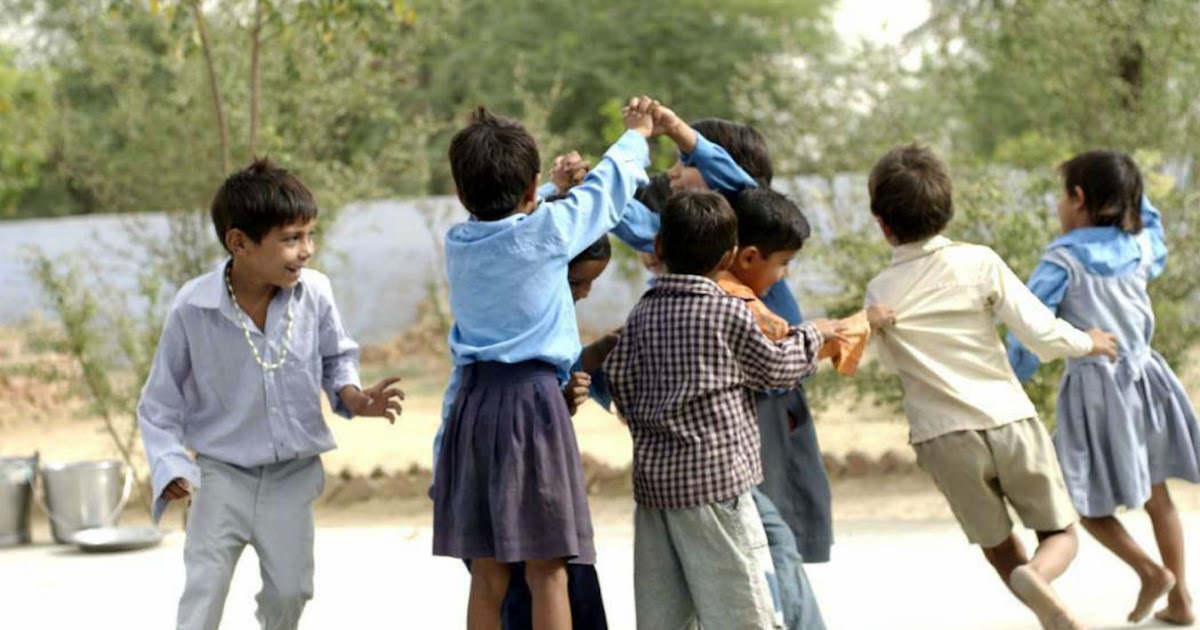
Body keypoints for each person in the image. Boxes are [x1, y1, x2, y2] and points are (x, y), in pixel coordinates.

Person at [137, 158, 404, 630]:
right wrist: (171, 465)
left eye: (309, 235)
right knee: (205, 588)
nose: (307, 251)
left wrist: (354, 397)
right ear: (239, 243)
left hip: (291, 476)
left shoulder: (316, 293)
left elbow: (336, 357)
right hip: (220, 474)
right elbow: (159, 404)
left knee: (291, 591)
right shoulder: (193, 308)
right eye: (291, 239)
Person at [862, 143, 1118, 630]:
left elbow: (893, 362)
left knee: (999, 546)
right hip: (1007, 417)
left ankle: (1048, 610)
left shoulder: (880, 291)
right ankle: (1041, 578)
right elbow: (1040, 332)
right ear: (947, 206)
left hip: (942, 436)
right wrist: (1088, 342)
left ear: (882, 221)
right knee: (1061, 532)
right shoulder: (978, 262)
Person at [432, 98, 655, 630]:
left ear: (461, 194)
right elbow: (604, 194)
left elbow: (515, 220)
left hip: (473, 405)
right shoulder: (548, 233)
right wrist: (636, 134)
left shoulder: (459, 243)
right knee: (548, 567)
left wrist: (550, 190)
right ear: (532, 190)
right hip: (532, 406)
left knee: (487, 572)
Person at [605, 189, 843, 629]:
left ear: (659, 248)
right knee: (740, 608)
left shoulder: (642, 313)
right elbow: (776, 368)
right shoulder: (727, 311)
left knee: (668, 613)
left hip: (656, 492)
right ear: (731, 254)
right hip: (719, 489)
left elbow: (620, 379)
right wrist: (812, 336)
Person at [1007, 150, 1200, 625]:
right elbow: (1152, 224)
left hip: (1096, 394)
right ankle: (1182, 602)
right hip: (1147, 384)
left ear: (1078, 198)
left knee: (1073, 497)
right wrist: (1131, 194)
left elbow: (1031, 322)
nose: (1058, 206)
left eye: (1062, 195)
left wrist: (1016, 372)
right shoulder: (1139, 248)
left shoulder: (1064, 258)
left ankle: (1149, 571)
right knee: (1159, 497)